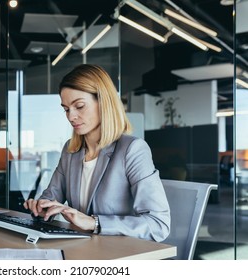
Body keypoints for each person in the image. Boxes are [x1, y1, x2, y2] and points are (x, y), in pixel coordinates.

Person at [23, 64, 170, 242]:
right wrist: (41, 208)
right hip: (82, 248)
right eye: (66, 109)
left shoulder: (132, 150)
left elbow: (158, 225)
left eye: (79, 106)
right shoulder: (71, 150)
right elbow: (51, 198)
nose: (71, 116)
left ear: (103, 102)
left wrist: (95, 223)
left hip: (118, 256)